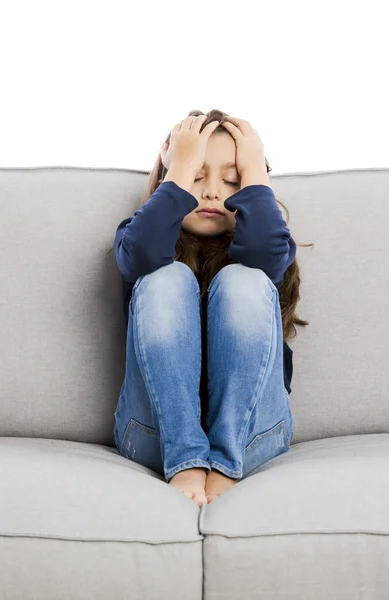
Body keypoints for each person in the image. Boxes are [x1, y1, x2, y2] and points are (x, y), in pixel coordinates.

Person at [106, 110, 310, 507]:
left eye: (232, 179)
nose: (213, 191)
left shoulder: (271, 247)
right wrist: (179, 167)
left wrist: (255, 168)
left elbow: (264, 253)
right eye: (196, 176)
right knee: (167, 277)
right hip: (153, 436)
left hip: (254, 435)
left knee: (244, 279)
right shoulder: (138, 239)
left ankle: (225, 464)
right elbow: (143, 254)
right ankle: (185, 462)